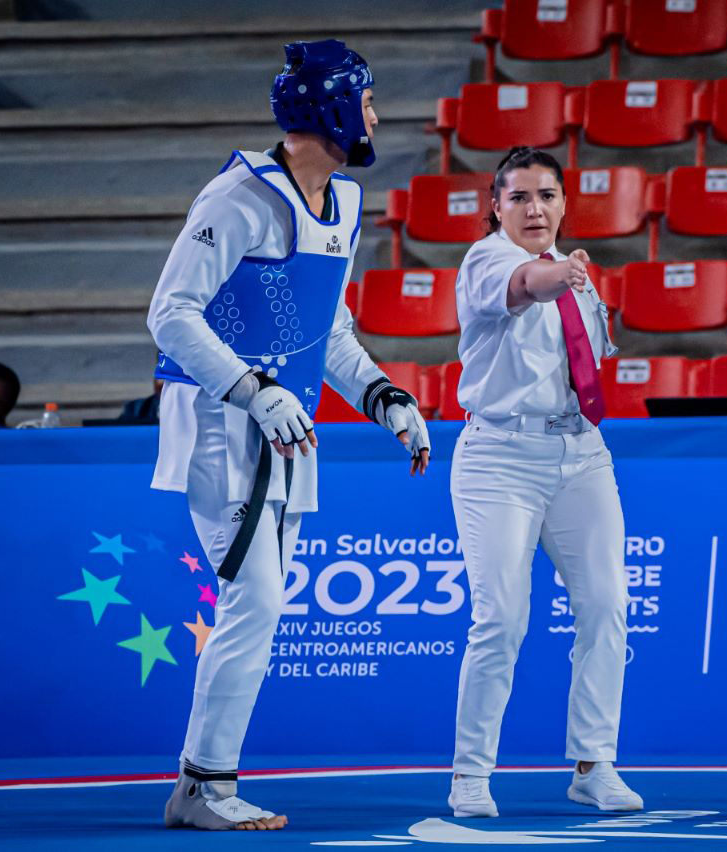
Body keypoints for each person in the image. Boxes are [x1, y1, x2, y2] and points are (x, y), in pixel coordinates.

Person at [147, 40, 430, 831]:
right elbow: (170, 314)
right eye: (367, 101)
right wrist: (248, 387)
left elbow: (324, 332)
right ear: (332, 108)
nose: (376, 115)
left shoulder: (342, 203)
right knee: (256, 599)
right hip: (217, 423)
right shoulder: (236, 198)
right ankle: (204, 786)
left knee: (259, 606)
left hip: (287, 424)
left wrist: (382, 396)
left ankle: (200, 785)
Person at [447, 147, 641, 818]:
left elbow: (587, 351)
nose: (535, 208)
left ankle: (595, 764)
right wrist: (562, 274)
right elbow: (529, 285)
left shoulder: (578, 278)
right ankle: (471, 775)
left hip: (582, 451)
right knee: (500, 618)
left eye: (548, 195)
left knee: (608, 605)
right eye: (520, 196)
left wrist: (574, 278)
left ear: (563, 203)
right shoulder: (489, 261)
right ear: (495, 206)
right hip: (501, 456)